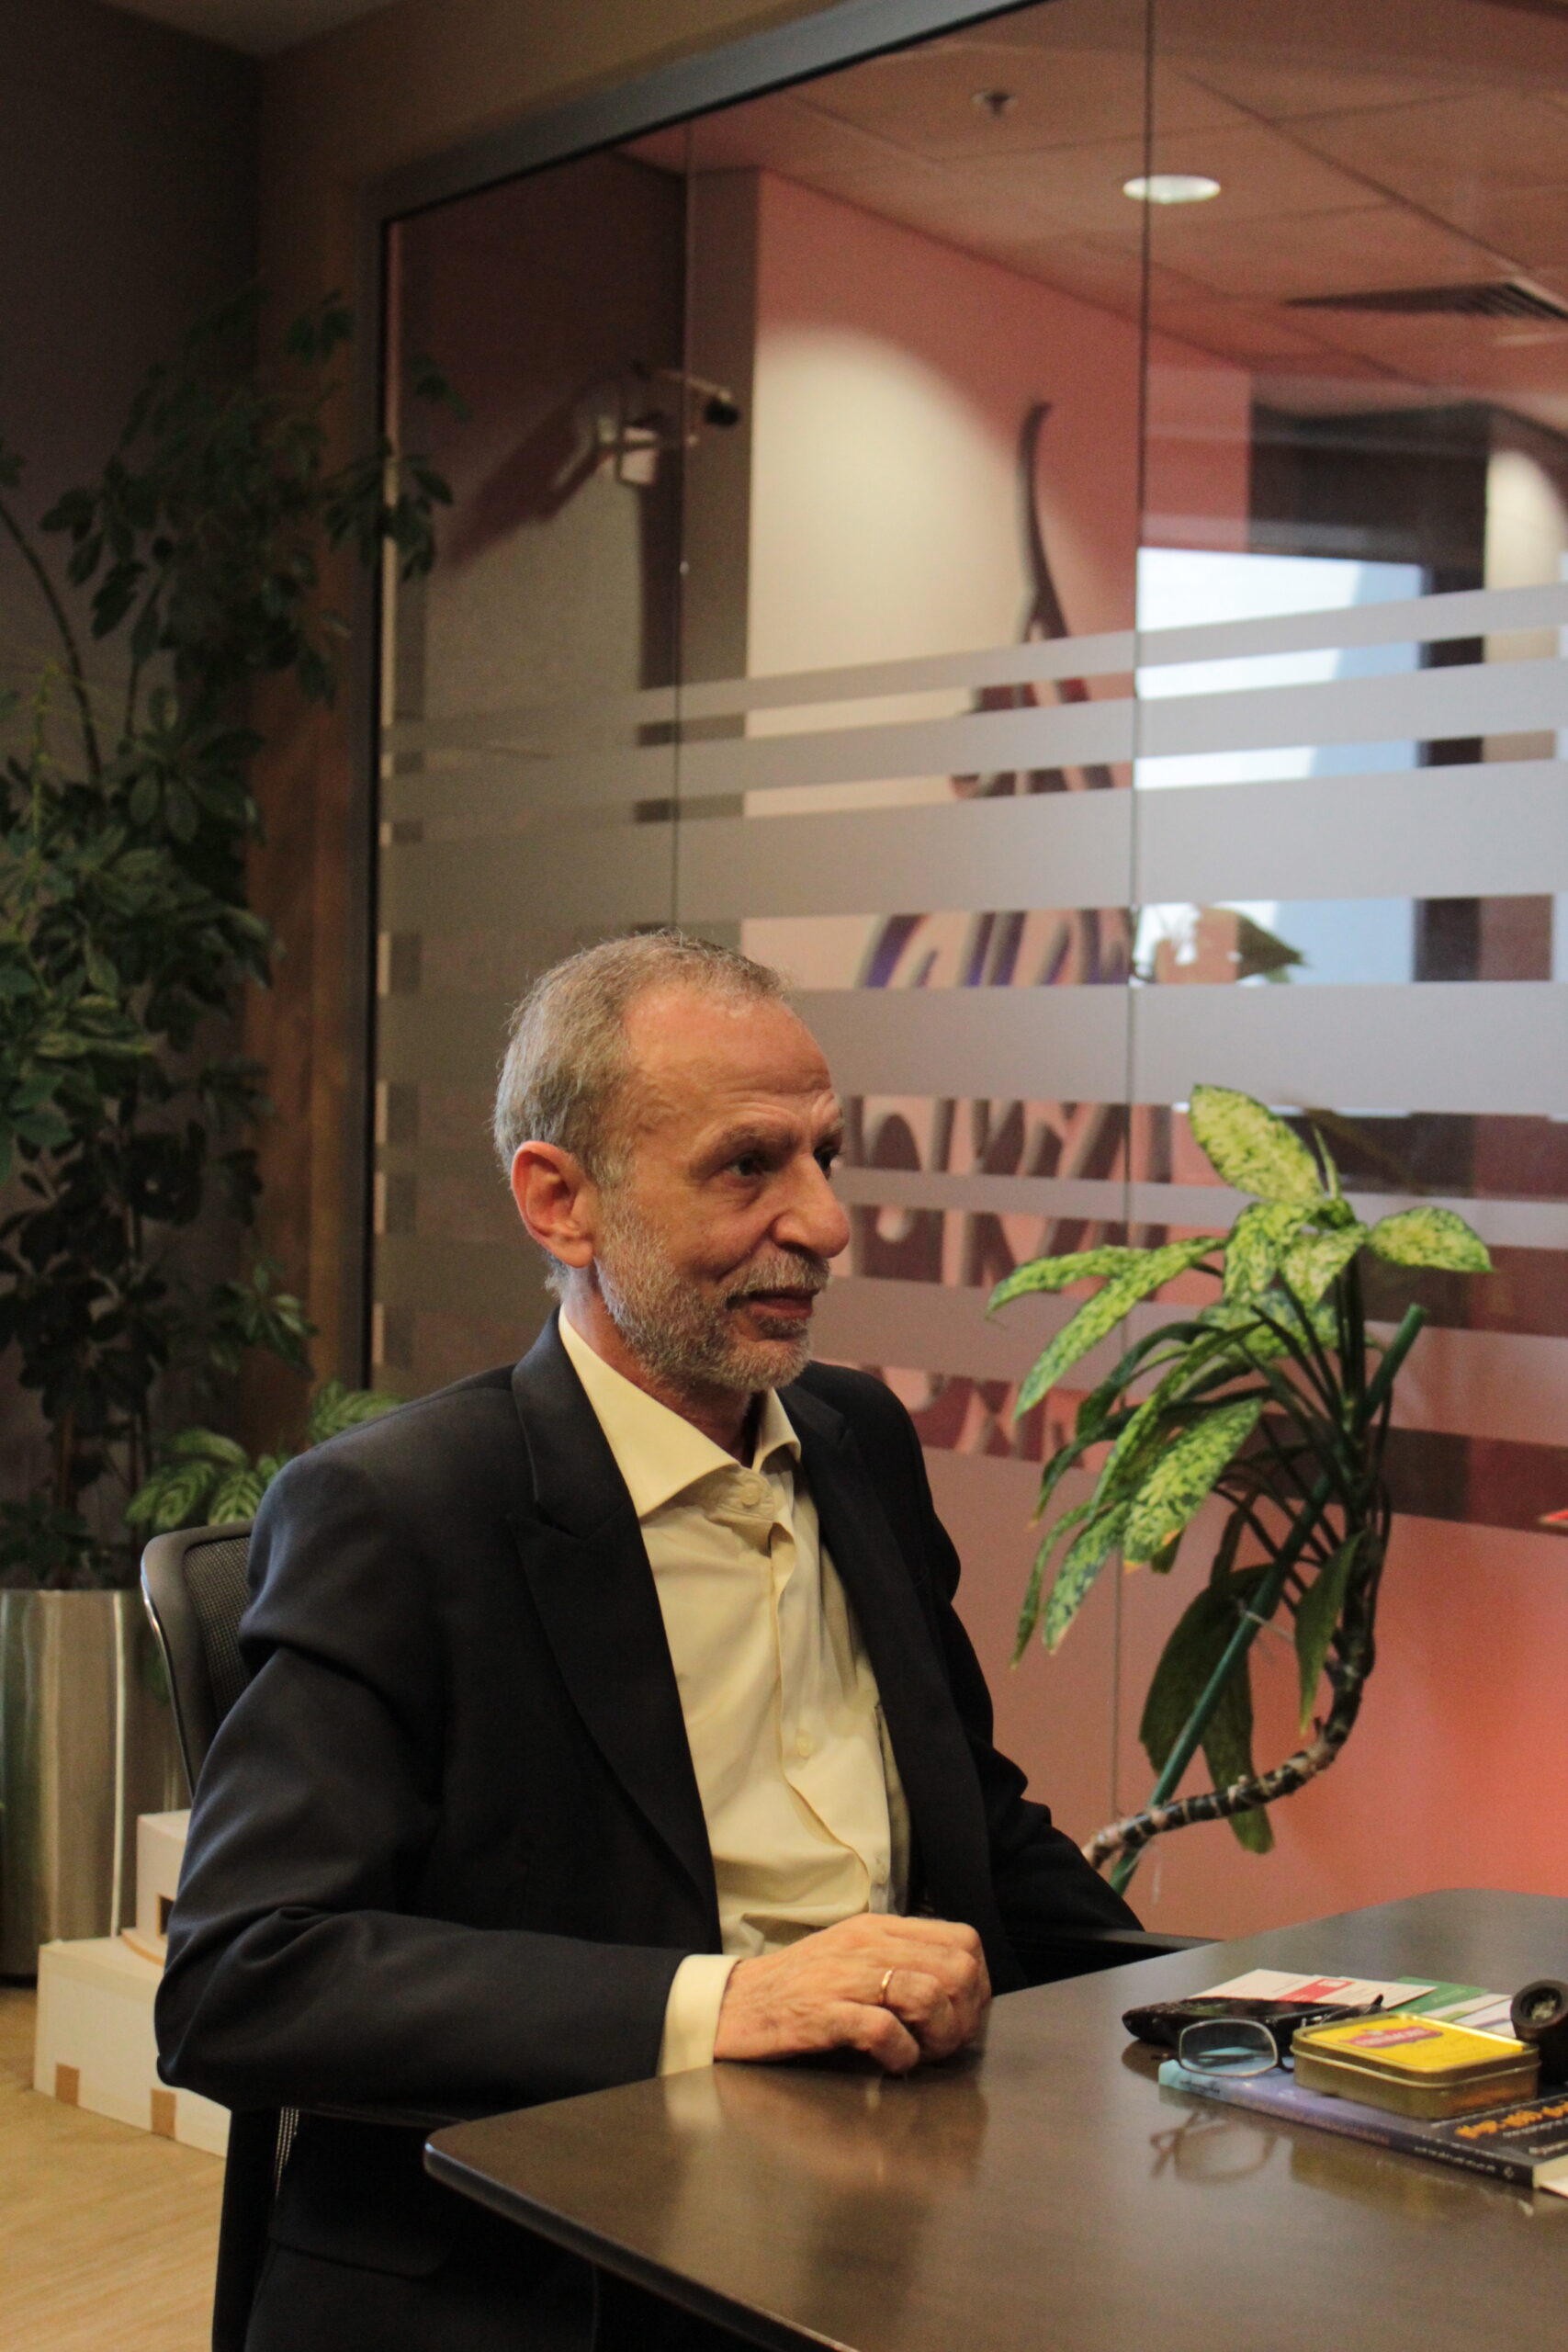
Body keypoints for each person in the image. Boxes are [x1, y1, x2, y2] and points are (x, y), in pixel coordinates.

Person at [158, 932, 1137, 2352]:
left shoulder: (856, 1441)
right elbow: (245, 1979)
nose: (826, 1223)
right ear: (561, 1203)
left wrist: (1240, 2014)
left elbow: (976, 1833)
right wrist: (722, 2004)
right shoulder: (399, 1513)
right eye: (747, 1168)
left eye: (825, 1157)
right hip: (554, 2268)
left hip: (887, 2202)